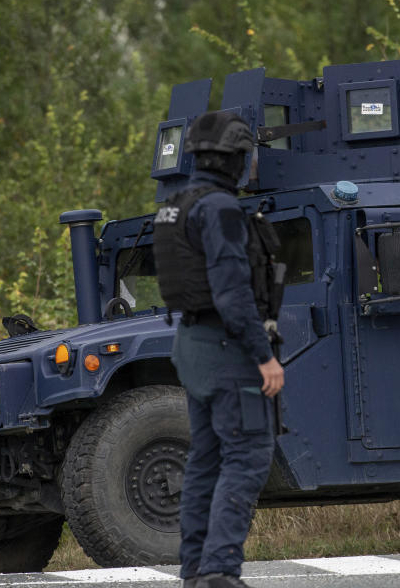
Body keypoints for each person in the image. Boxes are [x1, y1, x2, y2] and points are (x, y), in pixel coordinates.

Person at [152, 111, 285, 588]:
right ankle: (219, 570)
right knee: (248, 454)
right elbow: (232, 294)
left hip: (192, 349)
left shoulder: (175, 205)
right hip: (229, 350)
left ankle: (195, 572)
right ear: (233, 159)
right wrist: (264, 356)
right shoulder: (221, 209)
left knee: (206, 461)